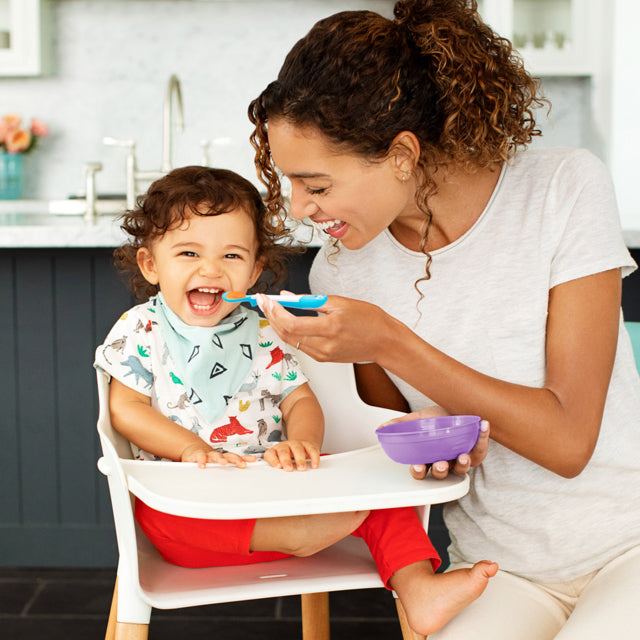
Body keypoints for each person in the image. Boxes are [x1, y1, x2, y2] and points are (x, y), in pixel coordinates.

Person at [247, 1, 640, 638]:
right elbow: (407, 444)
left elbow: (568, 442)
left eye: (315, 185)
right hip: (497, 568)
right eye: (290, 184)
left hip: (628, 547)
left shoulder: (563, 190)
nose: (299, 208)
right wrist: (437, 443)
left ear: (401, 152)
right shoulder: (342, 272)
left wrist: (389, 340)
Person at [94, 165, 498, 636]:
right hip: (198, 515)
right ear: (150, 265)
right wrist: (190, 449)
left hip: (280, 489)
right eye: (188, 253)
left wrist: (303, 444)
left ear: (255, 269)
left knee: (382, 499)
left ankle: (418, 585)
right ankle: (290, 535)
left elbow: (299, 401)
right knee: (158, 517)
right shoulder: (140, 329)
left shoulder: (264, 330)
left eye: (231, 254)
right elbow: (125, 411)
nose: (210, 269)